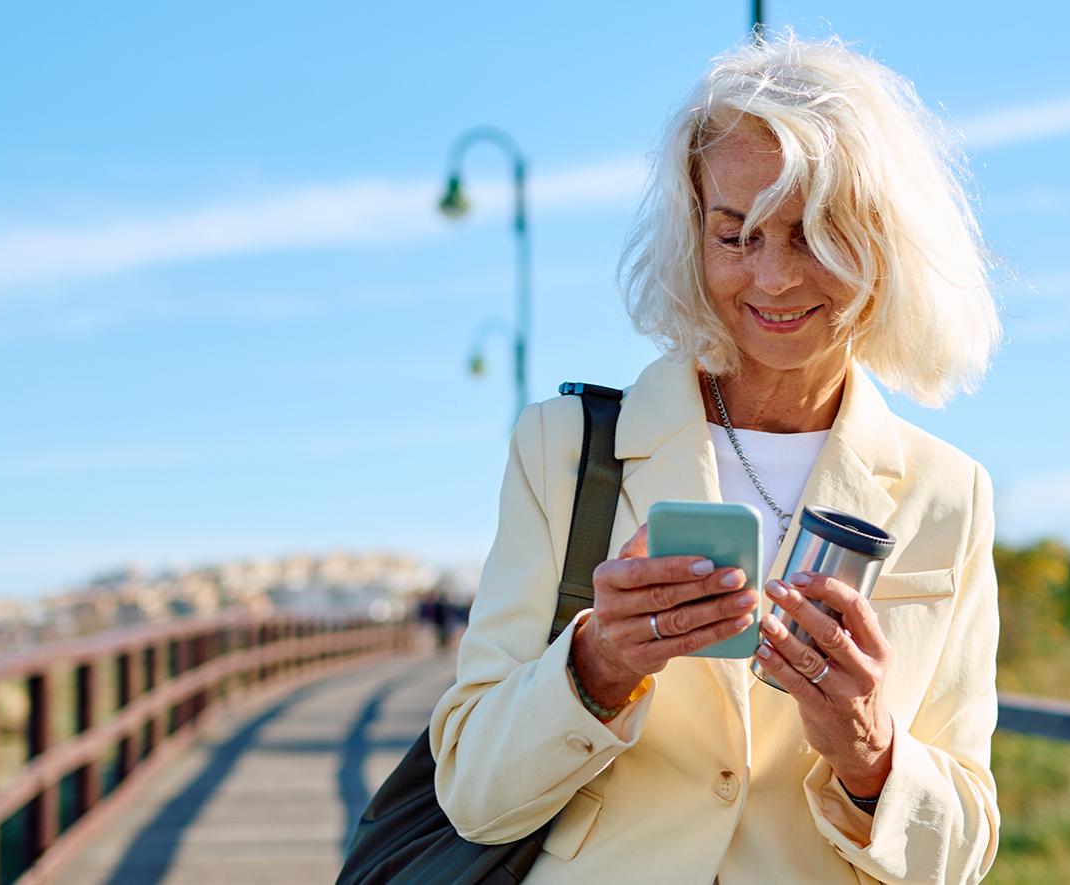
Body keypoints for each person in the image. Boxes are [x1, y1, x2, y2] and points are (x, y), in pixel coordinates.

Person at [429, 32, 1002, 884]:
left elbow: (960, 854)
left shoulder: (948, 494)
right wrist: (598, 666)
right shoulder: (564, 448)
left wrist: (873, 754)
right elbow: (474, 795)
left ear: (886, 242)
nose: (771, 278)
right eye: (735, 235)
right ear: (692, 234)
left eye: (813, 234)